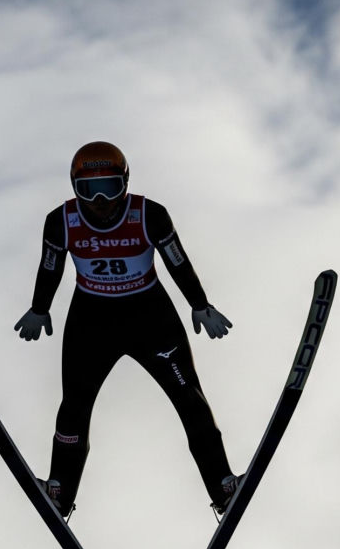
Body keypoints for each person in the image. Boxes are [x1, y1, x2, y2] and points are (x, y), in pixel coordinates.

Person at [15, 141, 238, 520]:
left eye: (110, 187)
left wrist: (200, 304)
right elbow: (50, 266)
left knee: (189, 398)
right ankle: (59, 492)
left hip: (151, 318)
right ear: (74, 189)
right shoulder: (61, 221)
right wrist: (40, 308)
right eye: (88, 190)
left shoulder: (150, 215)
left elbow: (178, 262)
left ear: (126, 184)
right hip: (91, 321)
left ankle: (223, 486)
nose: (100, 201)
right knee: (74, 405)